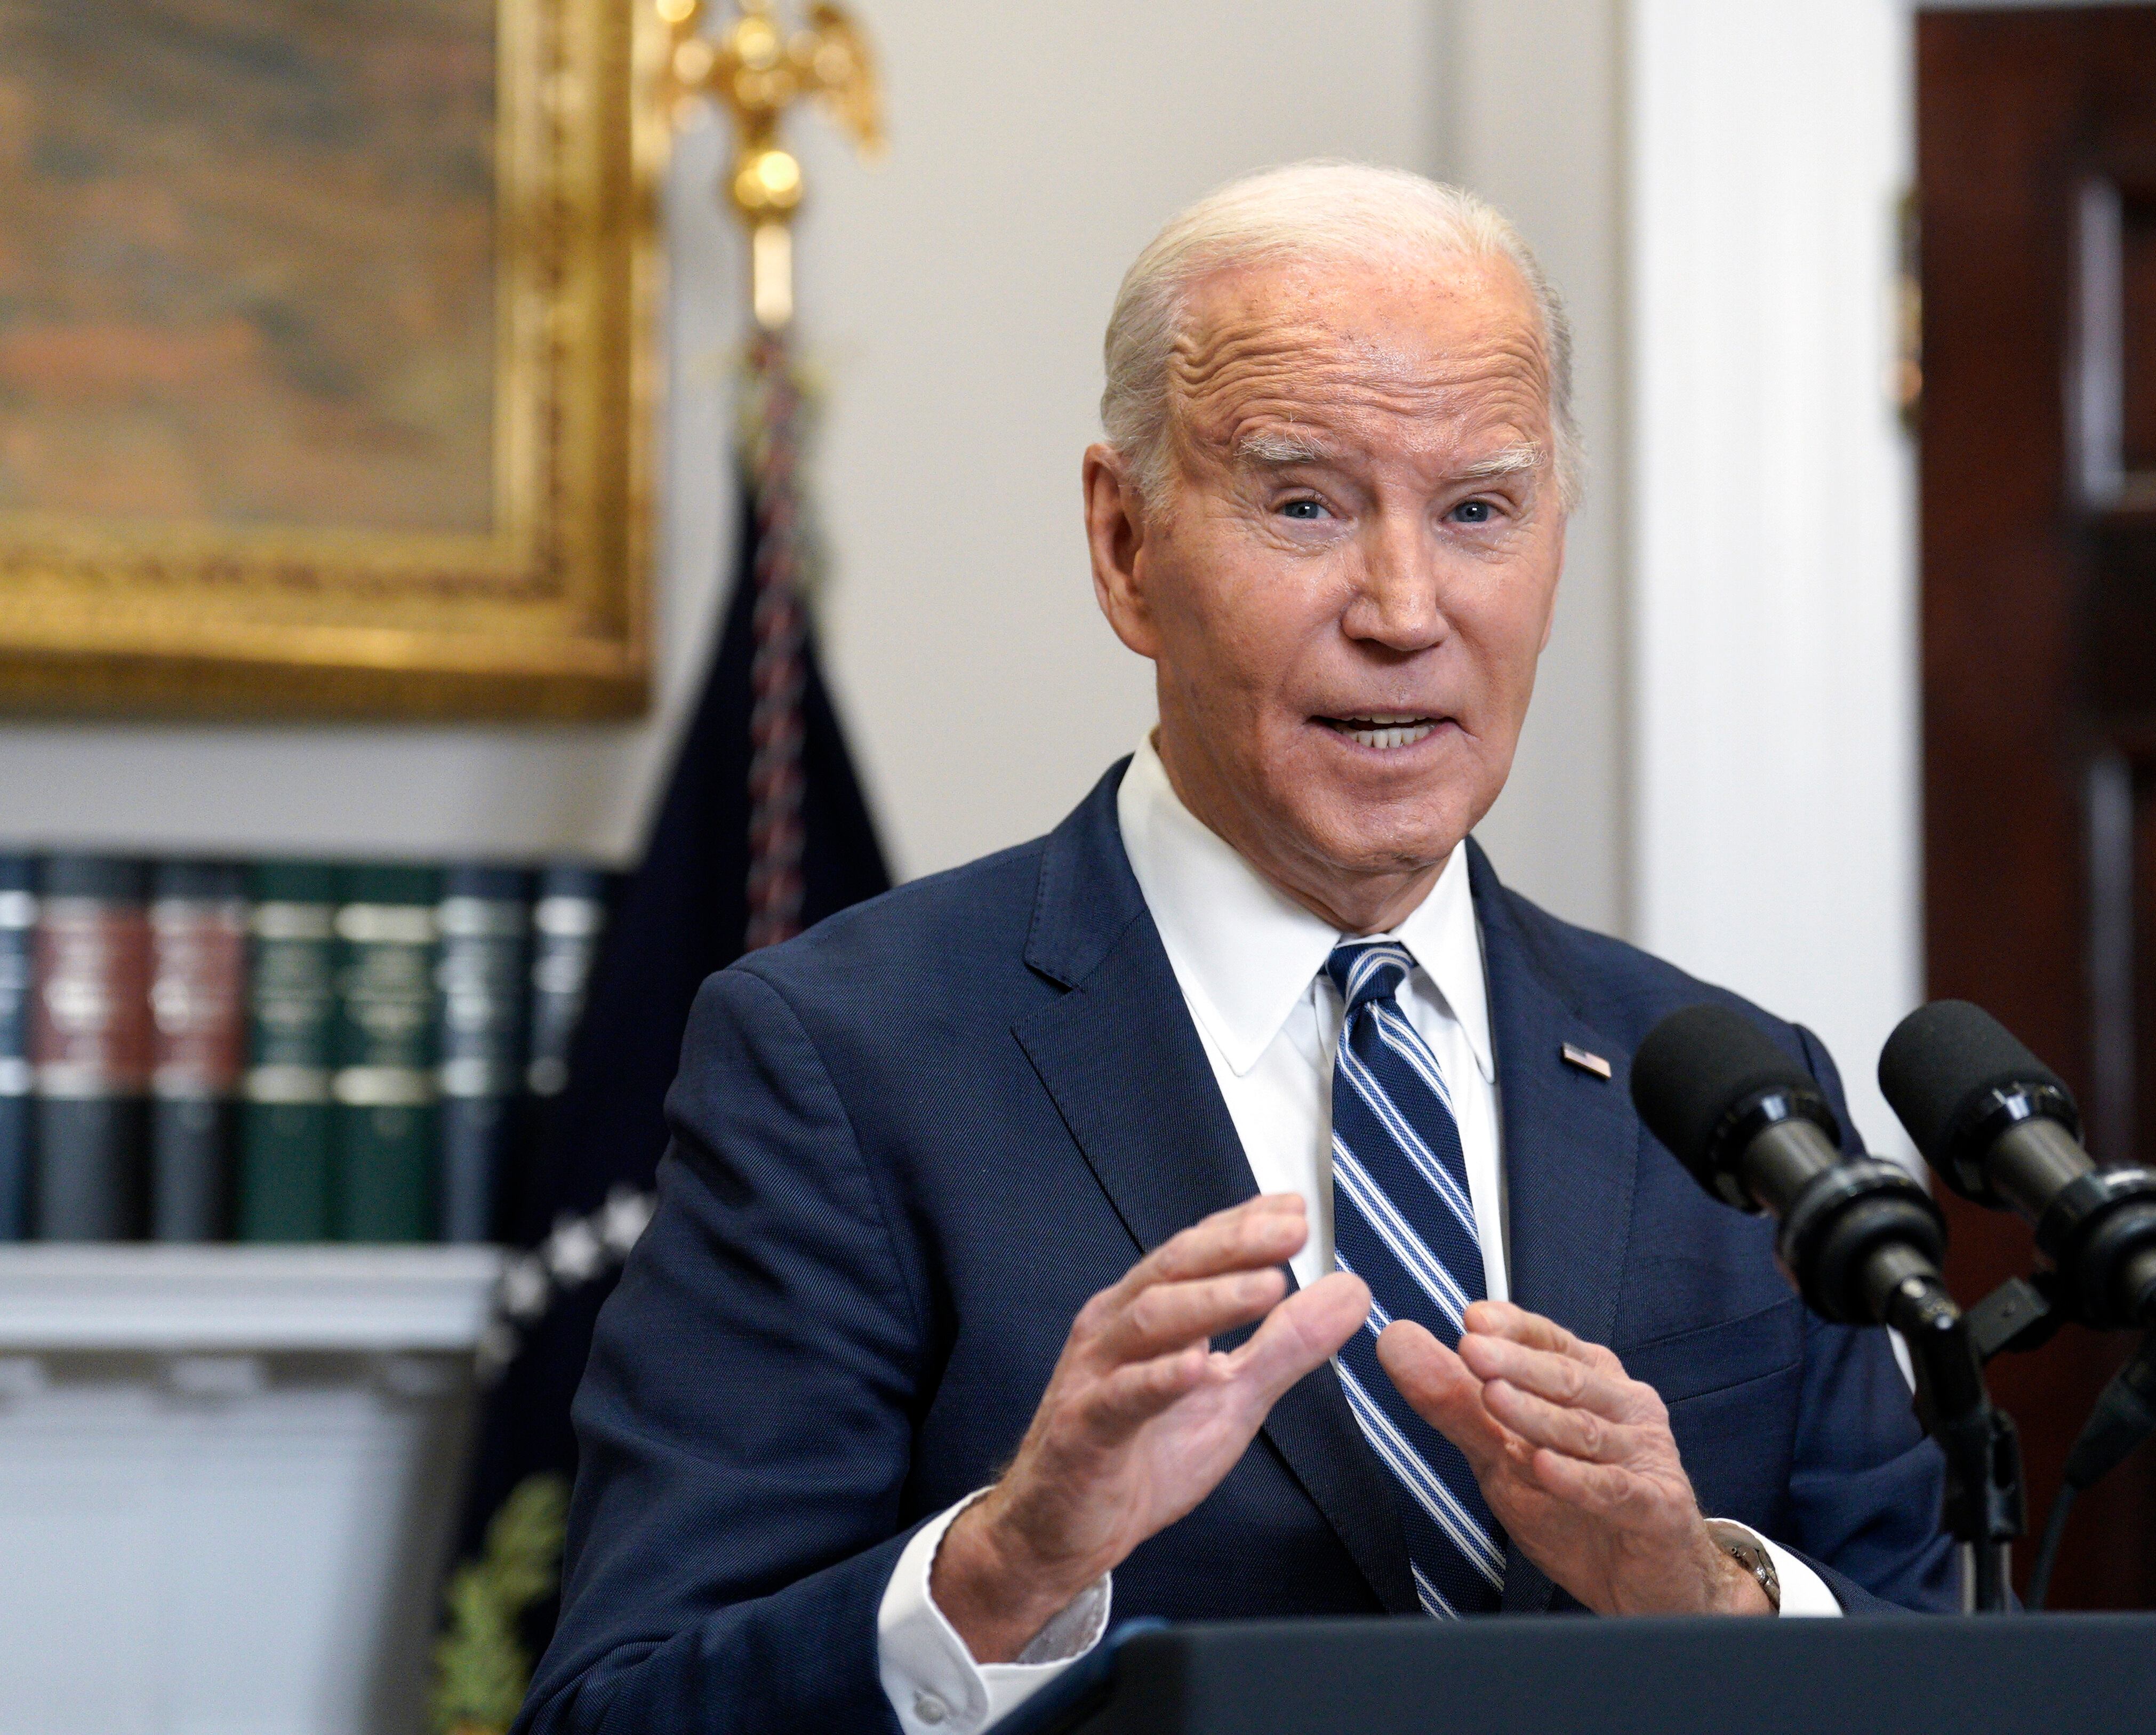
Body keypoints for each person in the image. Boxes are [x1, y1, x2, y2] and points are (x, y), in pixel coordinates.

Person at [520, 161, 1955, 1735]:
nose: (1405, 608)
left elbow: (1953, 1678)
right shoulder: (842, 1062)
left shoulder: (1726, 1087)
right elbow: (619, 1712)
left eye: (1479, 508)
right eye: (1305, 505)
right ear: (1126, 545)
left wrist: (1700, 1599)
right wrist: (1007, 1566)